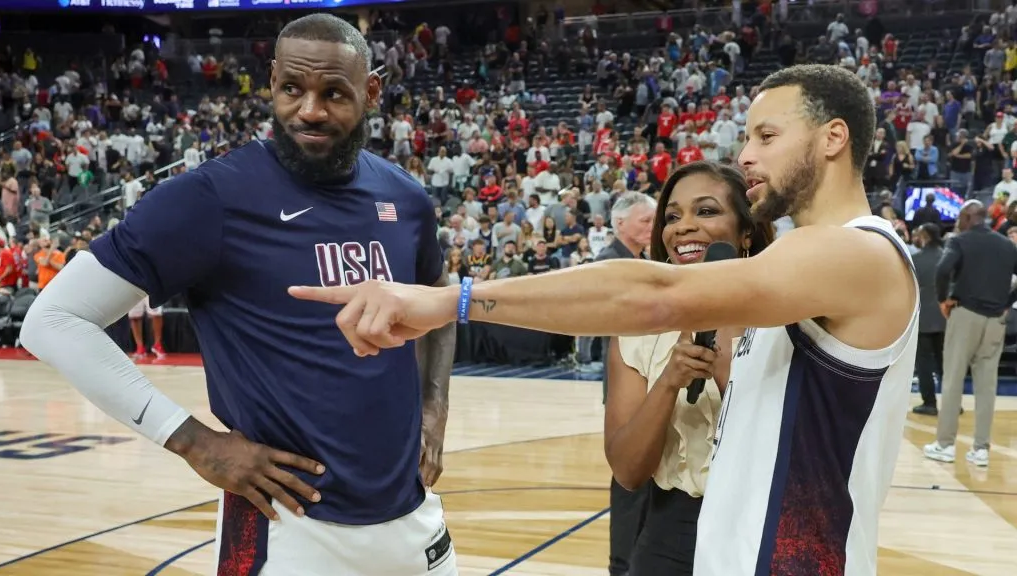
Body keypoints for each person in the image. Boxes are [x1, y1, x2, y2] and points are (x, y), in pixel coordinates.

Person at [291, 64, 921, 575]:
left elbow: (653, 294)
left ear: (832, 138)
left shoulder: (857, 249)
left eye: (766, 135)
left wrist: (448, 300)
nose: (745, 154)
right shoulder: (799, 268)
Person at [21, 14, 458, 576]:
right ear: (271, 80)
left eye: (334, 93)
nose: (310, 110)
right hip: (287, 530)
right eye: (292, 89)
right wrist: (194, 442)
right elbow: (53, 319)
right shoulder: (210, 199)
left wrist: (434, 404)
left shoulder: (405, 197)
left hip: (413, 522)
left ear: (371, 90)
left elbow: (439, 300)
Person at [607, 161, 773, 576]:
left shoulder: (786, 322)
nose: (682, 227)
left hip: (767, 527)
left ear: (746, 231)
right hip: (671, 533)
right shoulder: (637, 333)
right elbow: (628, 472)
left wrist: (724, 370)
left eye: (706, 211)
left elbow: (796, 451)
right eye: (672, 216)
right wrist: (667, 383)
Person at [924, 200, 1017, 467]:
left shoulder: (960, 240)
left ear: (966, 217)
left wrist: (943, 299)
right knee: (987, 387)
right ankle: (981, 450)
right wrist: (1007, 302)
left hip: (966, 315)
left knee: (953, 380)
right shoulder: (1007, 245)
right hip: (996, 321)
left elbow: (943, 270)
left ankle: (945, 444)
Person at [592, 190, 656, 576]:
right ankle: (622, 563)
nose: (652, 226)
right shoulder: (608, 263)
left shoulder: (640, 260)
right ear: (619, 225)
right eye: (644, 221)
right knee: (628, 477)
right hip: (625, 381)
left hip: (644, 379)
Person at [910, 223, 946, 415]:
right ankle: (952, 404)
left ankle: (929, 403)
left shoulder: (915, 259)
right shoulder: (947, 256)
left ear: (926, 237)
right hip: (946, 318)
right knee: (946, 363)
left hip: (923, 318)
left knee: (924, 363)